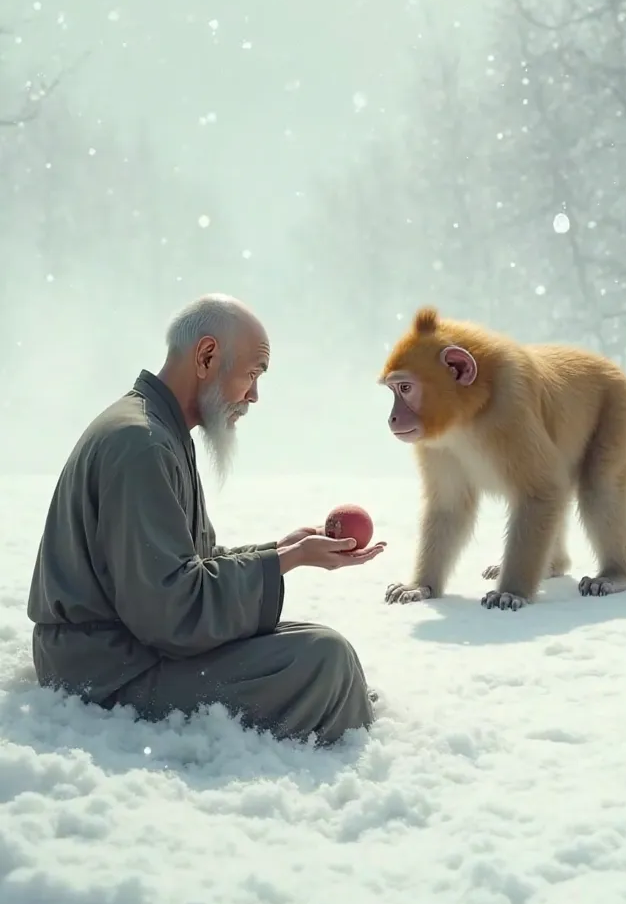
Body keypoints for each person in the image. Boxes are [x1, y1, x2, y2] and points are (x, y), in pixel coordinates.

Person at [27, 294, 386, 745]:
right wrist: (283, 563)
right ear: (207, 356)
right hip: (106, 672)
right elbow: (171, 615)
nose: (254, 395)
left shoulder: (155, 429)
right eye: (253, 374)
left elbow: (184, 570)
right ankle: (344, 748)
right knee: (323, 661)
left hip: (123, 650)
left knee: (317, 647)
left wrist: (280, 551)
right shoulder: (142, 444)